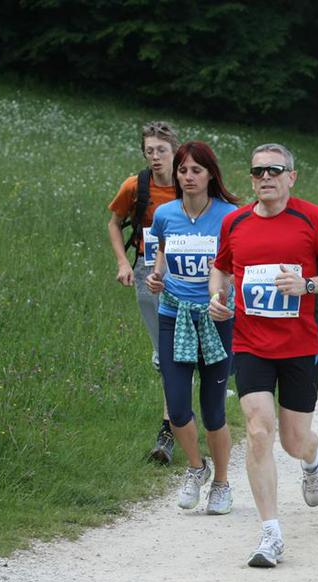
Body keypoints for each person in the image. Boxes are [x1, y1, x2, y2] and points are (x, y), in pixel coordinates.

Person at [208, 143, 318, 566]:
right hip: (250, 343)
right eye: (258, 171)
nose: (266, 178)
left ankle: (313, 458)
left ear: (292, 176)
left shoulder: (313, 219)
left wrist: (308, 285)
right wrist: (217, 297)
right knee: (259, 429)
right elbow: (220, 268)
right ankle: (270, 533)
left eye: (275, 170)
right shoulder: (235, 222)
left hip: (300, 346)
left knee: (294, 441)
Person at [145, 141, 239, 513]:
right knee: (178, 406)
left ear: (210, 174)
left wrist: (226, 299)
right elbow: (161, 252)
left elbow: (238, 263)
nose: (188, 177)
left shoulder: (230, 216)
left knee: (214, 412)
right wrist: (156, 277)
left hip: (215, 320)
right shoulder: (165, 214)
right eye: (182, 170)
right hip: (174, 316)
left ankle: (222, 484)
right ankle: (196, 468)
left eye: (196, 170)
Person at [106, 121, 181, 464]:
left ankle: (170, 428)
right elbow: (113, 223)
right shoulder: (135, 186)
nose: (155, 156)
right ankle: (172, 425)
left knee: (177, 352)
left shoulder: (189, 183)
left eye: (161, 150)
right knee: (166, 350)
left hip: (185, 276)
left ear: (175, 151)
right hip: (147, 272)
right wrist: (123, 262)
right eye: (149, 150)